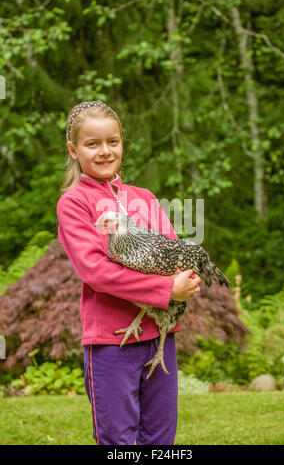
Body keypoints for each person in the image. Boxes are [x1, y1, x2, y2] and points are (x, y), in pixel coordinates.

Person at [56, 100, 201, 446]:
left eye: (113, 141)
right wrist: (167, 288)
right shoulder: (75, 203)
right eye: (93, 144)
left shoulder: (145, 198)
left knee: (160, 437)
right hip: (111, 341)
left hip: (160, 336)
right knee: (118, 438)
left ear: (122, 143)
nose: (105, 151)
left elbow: (174, 253)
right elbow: (97, 272)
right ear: (73, 150)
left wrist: (187, 278)